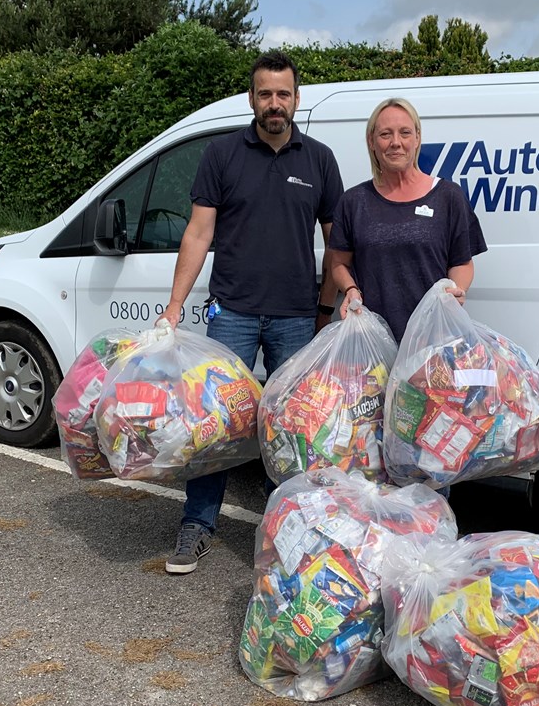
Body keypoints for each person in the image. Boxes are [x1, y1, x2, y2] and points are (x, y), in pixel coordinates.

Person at [156, 51, 343, 575]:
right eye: (266, 94)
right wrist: (173, 307)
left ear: (297, 98)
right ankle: (198, 523)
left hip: (295, 317)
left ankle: (291, 531)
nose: (275, 104)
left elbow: (336, 246)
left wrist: (327, 310)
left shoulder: (320, 160)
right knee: (215, 425)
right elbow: (198, 232)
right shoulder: (222, 154)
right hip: (232, 311)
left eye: (284, 94)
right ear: (252, 99)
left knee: (294, 429)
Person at [325, 97, 486, 342]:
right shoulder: (354, 201)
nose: (396, 143)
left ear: (417, 138)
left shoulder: (448, 196)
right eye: (385, 134)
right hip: (371, 339)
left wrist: (455, 291)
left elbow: (463, 262)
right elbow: (338, 263)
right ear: (372, 142)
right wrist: (350, 289)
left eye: (405, 133)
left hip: (433, 337)